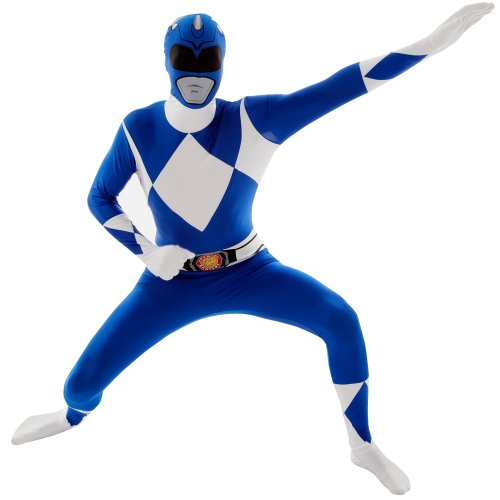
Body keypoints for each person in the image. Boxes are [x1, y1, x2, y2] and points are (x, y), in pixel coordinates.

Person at [12, 4, 494, 495]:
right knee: (79, 387)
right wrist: (147, 252)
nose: (196, 74)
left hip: (250, 271)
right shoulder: (139, 128)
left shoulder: (253, 119)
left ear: (223, 62)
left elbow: (342, 86)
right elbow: (99, 197)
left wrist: (429, 45)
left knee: (340, 320)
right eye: (184, 59)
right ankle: (71, 419)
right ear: (167, 60)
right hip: (171, 284)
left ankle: (362, 445)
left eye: (207, 60)